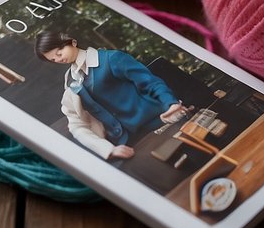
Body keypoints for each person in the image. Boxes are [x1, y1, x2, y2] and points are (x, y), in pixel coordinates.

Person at [35, 30, 191, 160]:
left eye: (59, 52)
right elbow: (76, 126)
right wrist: (107, 149)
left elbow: (150, 82)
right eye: (53, 59)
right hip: (126, 143)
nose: (59, 59)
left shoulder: (111, 58)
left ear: (72, 42)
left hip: (160, 122)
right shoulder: (71, 83)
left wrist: (170, 103)